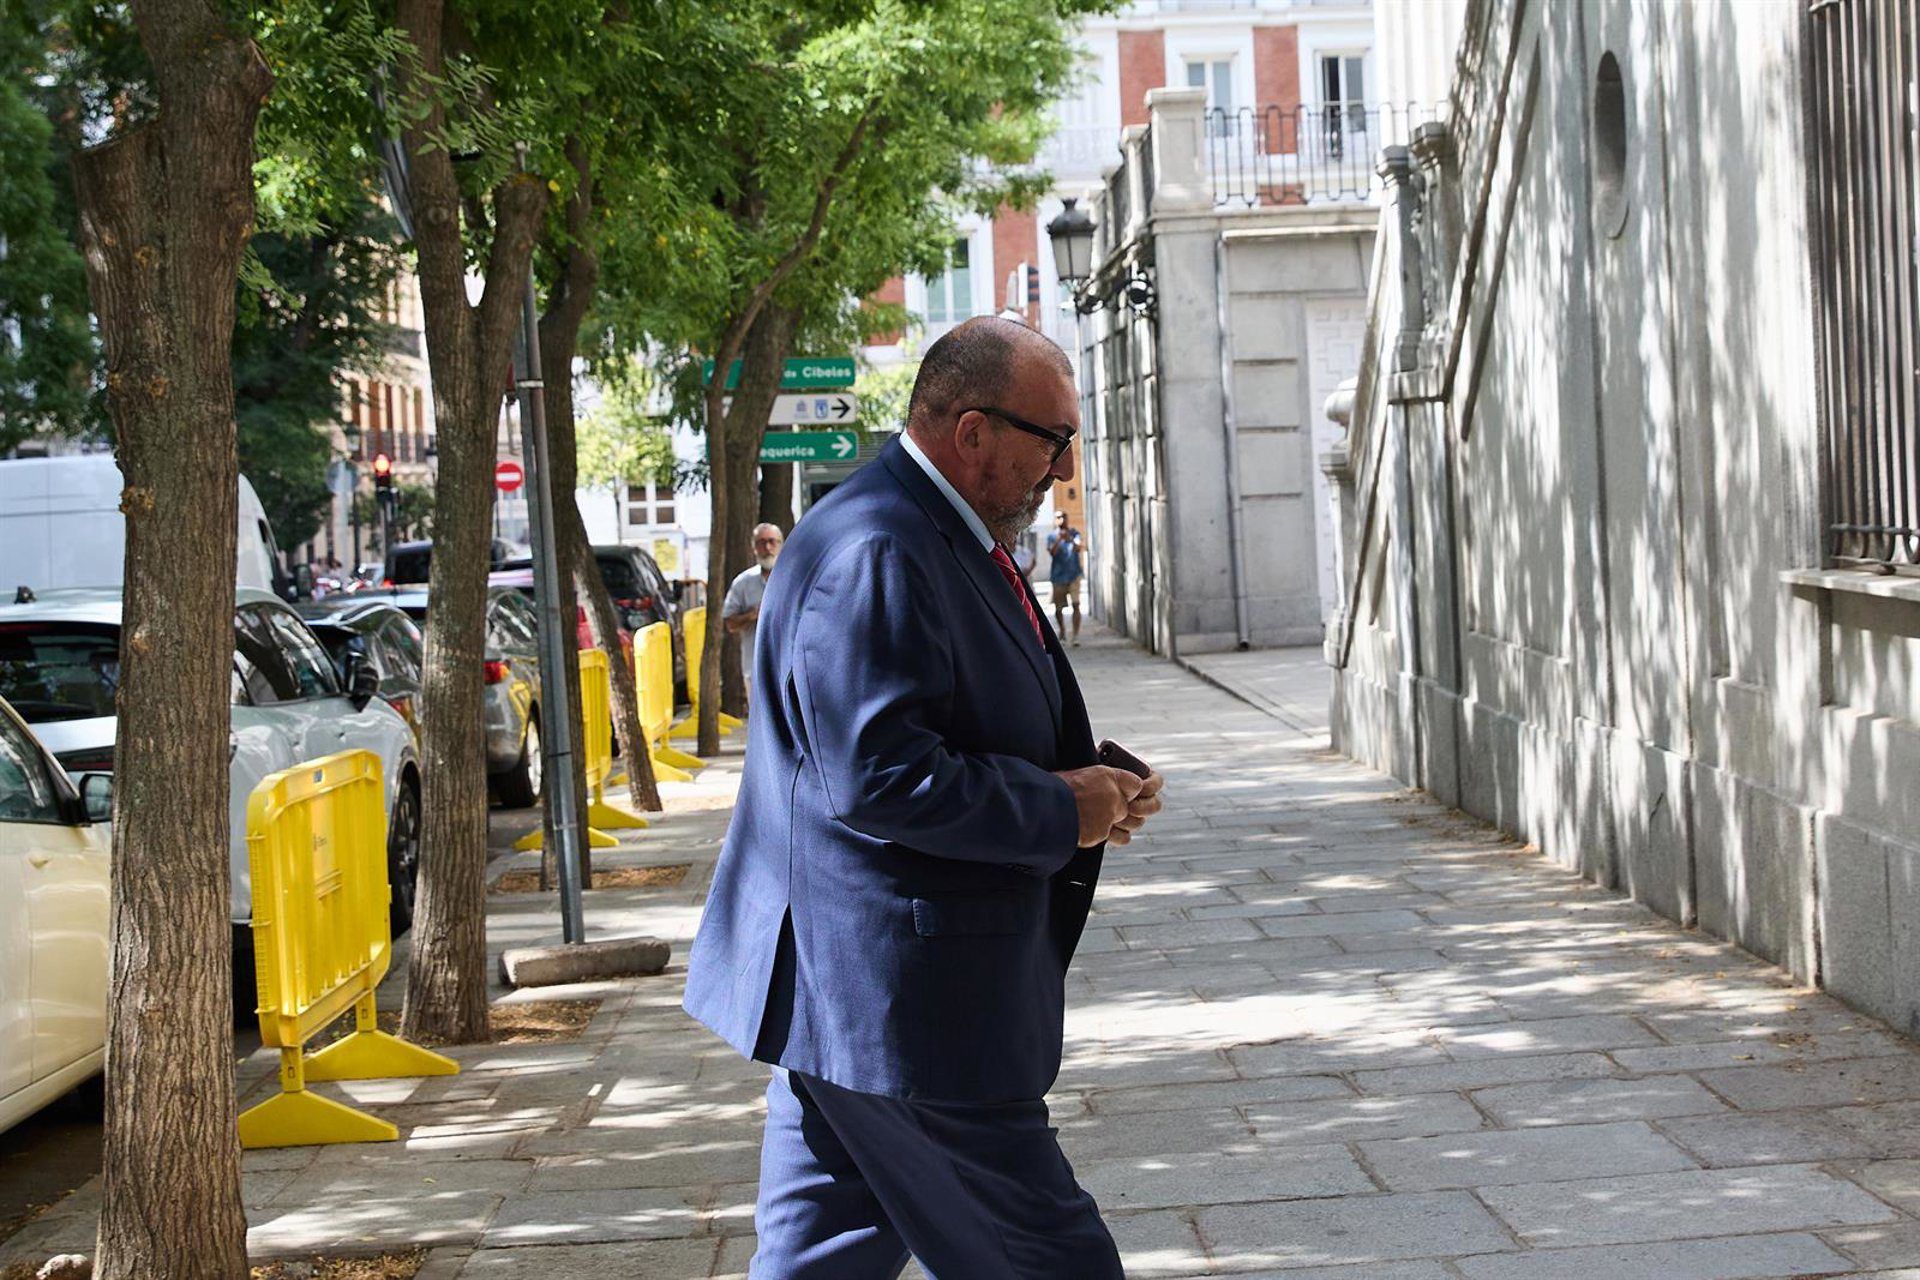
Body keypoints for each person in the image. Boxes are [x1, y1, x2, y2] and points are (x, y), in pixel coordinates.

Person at [684, 316, 1164, 1279]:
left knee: (820, 1260)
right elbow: (879, 775)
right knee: (1051, 1260)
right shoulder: (880, 546)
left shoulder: (931, 529)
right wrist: (1057, 809)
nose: (1064, 467)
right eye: (1053, 439)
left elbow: (936, 721)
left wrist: (1086, 781)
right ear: (973, 431)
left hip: (856, 1001)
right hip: (901, 1006)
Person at [722, 522, 784, 689]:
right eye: (761, 542)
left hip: (788, 666)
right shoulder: (743, 583)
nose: (767, 547)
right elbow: (730, 624)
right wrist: (752, 615)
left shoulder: (794, 579)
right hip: (755, 669)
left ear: (781, 545)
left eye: (772, 541)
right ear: (754, 548)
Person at [1047, 511, 1086, 646]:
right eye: (1058, 517)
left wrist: (1069, 538)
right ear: (1055, 520)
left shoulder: (1074, 533)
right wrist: (1059, 539)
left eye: (1064, 516)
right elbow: (1052, 552)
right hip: (1058, 576)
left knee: (1076, 604)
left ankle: (1075, 635)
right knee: (1059, 608)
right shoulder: (1052, 536)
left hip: (1074, 574)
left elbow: (1078, 547)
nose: (1062, 519)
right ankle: (1062, 631)